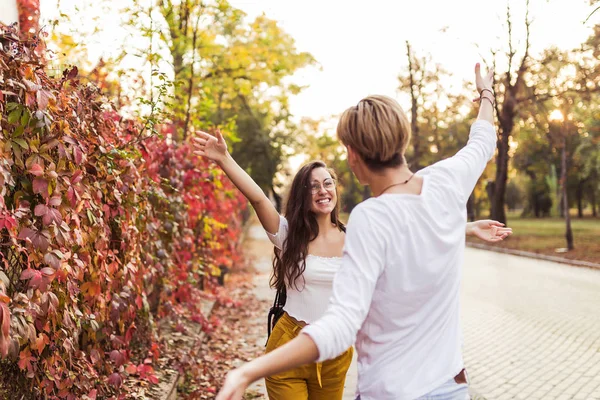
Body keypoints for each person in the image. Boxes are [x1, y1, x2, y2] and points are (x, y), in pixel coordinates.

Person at [213, 63, 498, 400]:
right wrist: (486, 92)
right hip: (451, 389)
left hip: (391, 393)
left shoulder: (369, 219)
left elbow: (342, 323)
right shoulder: (449, 181)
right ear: (401, 136)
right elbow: (482, 139)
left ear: (352, 155)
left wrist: (249, 370)